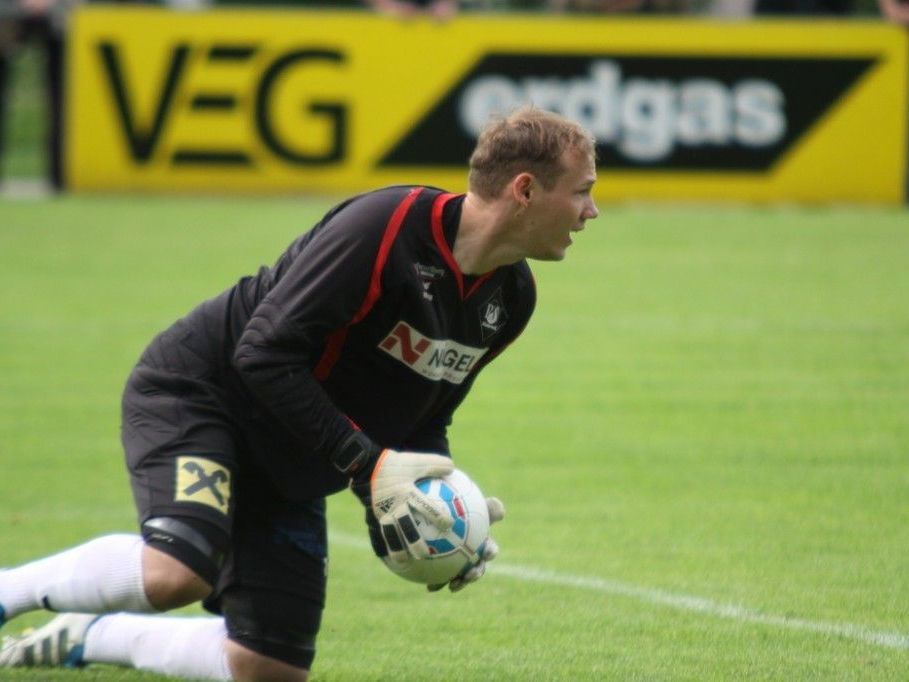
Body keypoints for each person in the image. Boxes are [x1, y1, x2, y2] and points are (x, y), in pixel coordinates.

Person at [0, 106, 599, 681]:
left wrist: (432, 513)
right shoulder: (385, 228)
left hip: (298, 454)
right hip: (206, 398)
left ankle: (84, 638)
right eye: (580, 192)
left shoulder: (511, 300)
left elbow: (422, 417)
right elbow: (260, 353)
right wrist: (369, 467)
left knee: (269, 669)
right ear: (524, 189)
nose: (591, 211)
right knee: (177, 571)